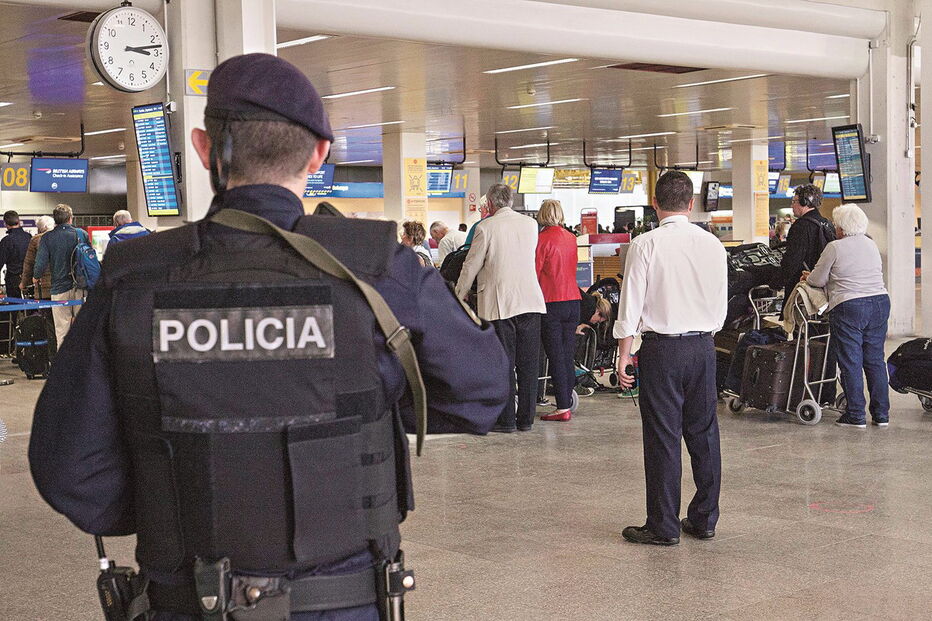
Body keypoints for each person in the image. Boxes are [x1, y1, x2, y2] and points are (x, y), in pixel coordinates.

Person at [29, 53, 509, 621]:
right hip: (345, 602)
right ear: (319, 153)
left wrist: (173, 498)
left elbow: (69, 467)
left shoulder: (134, 276)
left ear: (204, 149)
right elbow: (482, 393)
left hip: (188, 599)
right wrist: (364, 408)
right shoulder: (379, 266)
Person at [614, 170, 728, 546]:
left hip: (662, 350)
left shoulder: (645, 244)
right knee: (704, 433)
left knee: (663, 436)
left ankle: (663, 525)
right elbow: (721, 304)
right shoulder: (713, 245)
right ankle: (704, 518)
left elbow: (630, 305)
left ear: (655, 204)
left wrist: (624, 354)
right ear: (691, 204)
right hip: (703, 347)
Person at [456, 183, 546, 432]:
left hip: (499, 304)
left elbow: (471, 265)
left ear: (490, 204)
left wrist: (459, 294)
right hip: (530, 301)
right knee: (529, 364)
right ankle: (526, 419)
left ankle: (506, 420)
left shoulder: (486, 227)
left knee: (503, 364)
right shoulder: (531, 225)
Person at [803, 204, 890, 428]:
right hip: (880, 303)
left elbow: (817, 280)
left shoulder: (834, 247)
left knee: (851, 361)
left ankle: (856, 415)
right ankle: (881, 415)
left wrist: (808, 276)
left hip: (850, 306)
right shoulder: (871, 243)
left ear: (841, 228)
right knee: (875, 360)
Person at [535, 200, 582, 422]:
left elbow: (535, 272)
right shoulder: (571, 238)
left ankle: (562, 406)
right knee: (567, 354)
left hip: (551, 302)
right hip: (573, 300)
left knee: (555, 356)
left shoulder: (541, 240)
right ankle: (567, 398)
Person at [33, 204, 88, 345]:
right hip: (80, 287)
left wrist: (36, 277)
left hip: (59, 289)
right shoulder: (81, 234)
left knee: (62, 329)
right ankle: (81, 357)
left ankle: (63, 358)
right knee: (82, 328)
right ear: (70, 218)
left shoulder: (47, 237)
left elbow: (40, 263)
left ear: (55, 220)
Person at [772, 184, 835, 306]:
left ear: (805, 202)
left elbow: (793, 259)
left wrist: (777, 282)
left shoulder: (801, 226)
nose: (792, 205)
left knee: (793, 316)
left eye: (794, 201)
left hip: (801, 286)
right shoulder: (827, 223)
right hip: (824, 286)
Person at [19, 215, 55, 298]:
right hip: (60, 286)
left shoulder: (35, 240)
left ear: (41, 227)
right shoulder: (59, 237)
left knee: (44, 305)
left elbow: (29, 264)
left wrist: (24, 283)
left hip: (42, 285)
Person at [0, 210, 31, 299]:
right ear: (18, 221)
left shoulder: (6, 241)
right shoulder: (29, 237)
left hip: (13, 279)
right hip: (29, 277)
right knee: (31, 304)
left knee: (15, 304)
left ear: (6, 224)